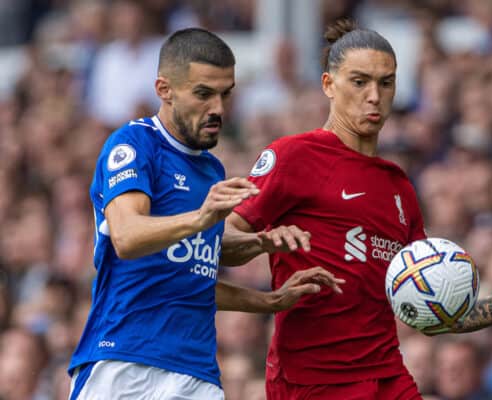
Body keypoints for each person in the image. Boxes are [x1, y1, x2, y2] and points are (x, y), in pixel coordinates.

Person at [225, 19, 492, 400]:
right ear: (329, 85)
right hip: (312, 381)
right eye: (359, 81)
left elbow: (427, 309)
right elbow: (222, 243)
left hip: (387, 377)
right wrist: (266, 242)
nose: (374, 96)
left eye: (386, 82)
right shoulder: (293, 156)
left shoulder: (398, 185)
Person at [68, 28, 344, 400]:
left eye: (225, 93)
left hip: (196, 373)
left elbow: (192, 274)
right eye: (203, 93)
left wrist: (268, 277)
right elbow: (128, 237)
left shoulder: (211, 170)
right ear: (164, 89)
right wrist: (202, 218)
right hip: (123, 359)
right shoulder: (134, 144)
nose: (218, 108)